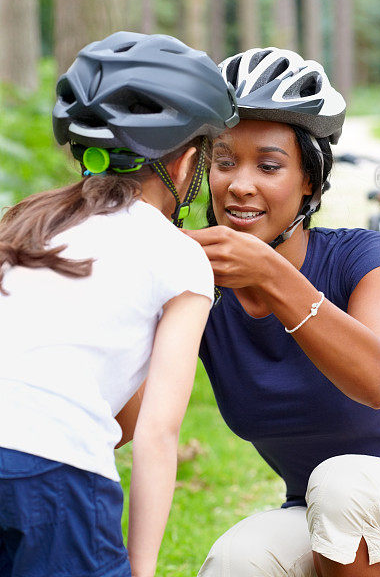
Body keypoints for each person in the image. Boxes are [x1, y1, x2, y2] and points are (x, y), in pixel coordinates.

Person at [186, 47, 380, 577]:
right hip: (320, 519)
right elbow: (133, 417)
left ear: (310, 180)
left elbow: (377, 379)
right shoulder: (196, 287)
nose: (239, 183)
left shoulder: (366, 257)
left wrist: (268, 272)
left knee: (341, 484)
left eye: (268, 165)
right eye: (223, 161)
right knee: (234, 561)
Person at [0, 32, 238, 577]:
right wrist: (143, 568)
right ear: (184, 167)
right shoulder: (179, 256)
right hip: (55, 473)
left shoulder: (29, 223)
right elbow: (157, 433)